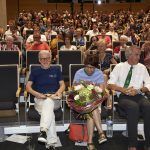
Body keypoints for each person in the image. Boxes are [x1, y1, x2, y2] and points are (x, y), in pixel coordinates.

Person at [107, 45, 150, 150]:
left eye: (139, 54)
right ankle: (132, 144)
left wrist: (139, 90)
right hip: (123, 96)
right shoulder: (119, 67)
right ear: (129, 55)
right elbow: (109, 84)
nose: (139, 57)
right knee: (133, 107)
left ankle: (148, 143)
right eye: (137, 54)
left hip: (139, 95)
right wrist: (123, 89)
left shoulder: (142, 67)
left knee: (148, 105)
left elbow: (149, 84)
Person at [26, 50, 65, 150]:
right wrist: (37, 94)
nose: (45, 60)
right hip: (40, 99)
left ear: (50, 59)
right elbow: (28, 87)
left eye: (47, 58)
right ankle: (51, 142)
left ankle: (43, 131)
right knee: (49, 110)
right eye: (42, 58)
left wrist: (59, 92)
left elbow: (62, 85)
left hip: (54, 99)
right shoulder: (34, 72)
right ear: (39, 60)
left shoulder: (56, 70)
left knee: (49, 102)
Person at [72, 55, 107, 150]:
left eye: (92, 68)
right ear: (84, 66)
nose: (90, 70)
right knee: (92, 107)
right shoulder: (79, 73)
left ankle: (90, 141)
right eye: (88, 67)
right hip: (82, 100)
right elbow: (74, 89)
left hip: (96, 100)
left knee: (92, 108)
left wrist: (95, 92)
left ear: (96, 67)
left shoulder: (99, 73)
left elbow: (101, 90)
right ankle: (100, 132)